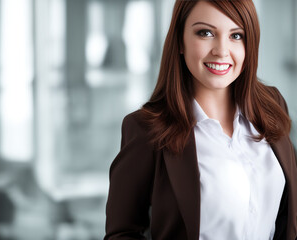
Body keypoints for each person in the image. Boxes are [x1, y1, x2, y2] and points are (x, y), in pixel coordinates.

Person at [104, 0, 297, 239]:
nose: (222, 50)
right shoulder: (147, 129)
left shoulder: (272, 104)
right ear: (180, 42)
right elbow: (122, 232)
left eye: (236, 36)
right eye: (205, 33)